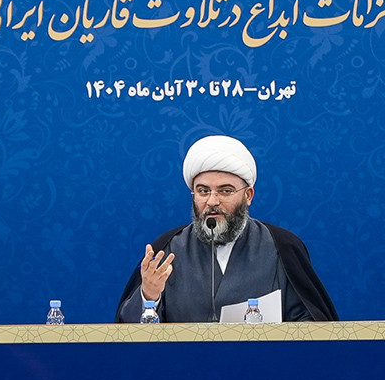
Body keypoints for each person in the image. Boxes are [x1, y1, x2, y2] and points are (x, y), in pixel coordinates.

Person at [116, 135, 337, 323]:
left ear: (248, 195)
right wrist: (149, 295)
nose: (212, 201)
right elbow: (129, 336)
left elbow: (310, 328)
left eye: (225, 191)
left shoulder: (282, 247)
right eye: (203, 191)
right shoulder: (168, 249)